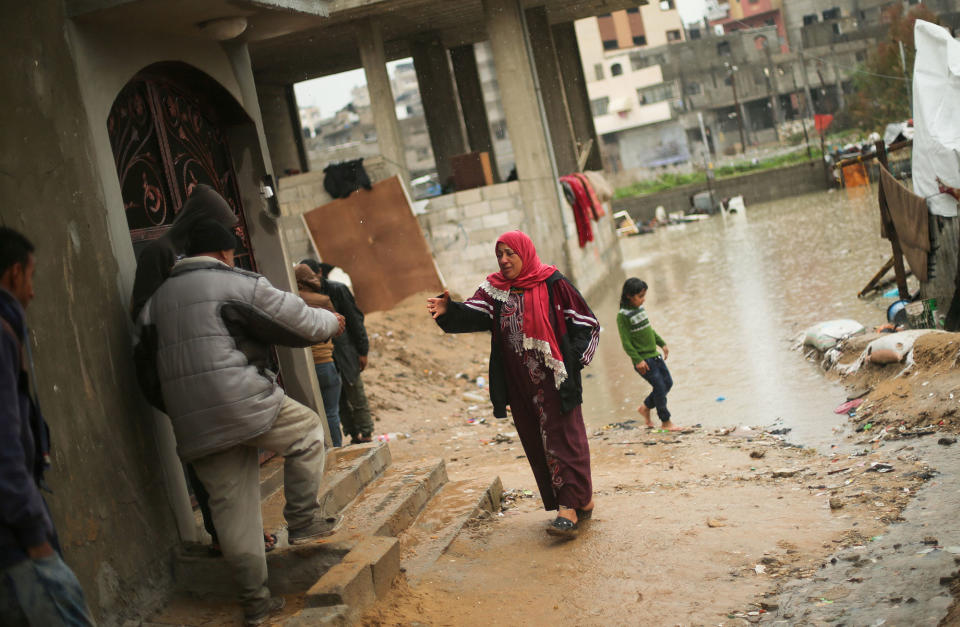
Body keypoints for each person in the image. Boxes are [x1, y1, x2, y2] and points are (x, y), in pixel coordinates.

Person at [134, 220, 345, 626]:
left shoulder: (153, 303)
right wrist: (332, 324)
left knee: (233, 513)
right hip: (244, 402)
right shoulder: (233, 283)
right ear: (224, 252)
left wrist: (186, 410)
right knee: (306, 431)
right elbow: (295, 321)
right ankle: (302, 521)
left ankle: (256, 603)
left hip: (194, 424)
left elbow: (144, 374)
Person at [128, 184, 275, 556]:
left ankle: (243, 532)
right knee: (207, 459)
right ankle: (224, 536)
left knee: (234, 455)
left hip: (212, 368)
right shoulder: (160, 253)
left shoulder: (198, 254)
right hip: (180, 373)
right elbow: (145, 316)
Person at [427, 231, 599, 539]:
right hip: (520, 385)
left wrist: (570, 364)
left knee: (563, 440)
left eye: (510, 254)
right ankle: (580, 499)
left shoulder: (553, 283)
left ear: (525, 253)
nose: (504, 260)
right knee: (537, 442)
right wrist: (448, 310)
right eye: (500, 255)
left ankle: (568, 509)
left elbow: (587, 324)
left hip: (555, 381)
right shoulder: (496, 290)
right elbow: (473, 314)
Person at [0, 227, 95, 625]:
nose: (33, 292)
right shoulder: (2, 331)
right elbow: (4, 444)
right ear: (15, 274)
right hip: (14, 545)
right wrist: (35, 537)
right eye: (32, 277)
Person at [299, 259, 373, 445]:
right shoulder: (307, 297)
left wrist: (362, 350)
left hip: (345, 351)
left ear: (320, 273)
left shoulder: (336, 290)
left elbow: (355, 321)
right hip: (328, 356)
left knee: (354, 392)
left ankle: (366, 434)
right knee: (339, 400)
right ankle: (353, 435)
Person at [616, 278, 679, 432]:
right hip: (643, 360)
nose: (643, 300)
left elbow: (648, 330)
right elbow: (626, 342)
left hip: (654, 356)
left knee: (667, 384)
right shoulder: (623, 316)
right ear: (629, 296)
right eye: (640, 296)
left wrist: (661, 343)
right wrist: (637, 360)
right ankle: (666, 421)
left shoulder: (640, 310)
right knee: (659, 386)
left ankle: (645, 407)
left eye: (644, 296)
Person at [295, 264, 343, 447]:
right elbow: (336, 329)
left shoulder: (293, 301)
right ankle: (337, 450)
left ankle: (317, 452)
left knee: (308, 415)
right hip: (325, 362)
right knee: (331, 412)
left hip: (302, 367)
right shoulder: (323, 300)